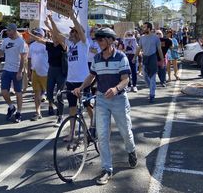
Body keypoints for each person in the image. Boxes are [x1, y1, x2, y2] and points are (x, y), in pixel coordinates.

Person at [73, 27, 137, 185]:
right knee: (102, 136)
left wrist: (116, 89)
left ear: (110, 40)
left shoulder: (121, 57)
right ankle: (107, 169)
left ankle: (131, 150)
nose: (98, 42)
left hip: (119, 99)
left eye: (101, 39)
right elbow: (92, 76)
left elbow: (125, 79)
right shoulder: (96, 58)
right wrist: (81, 88)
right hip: (101, 99)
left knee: (125, 132)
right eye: (97, 40)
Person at [48, 14, 89, 127]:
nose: (71, 33)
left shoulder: (84, 43)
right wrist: (51, 20)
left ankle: (92, 126)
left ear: (79, 34)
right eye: (71, 32)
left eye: (73, 32)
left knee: (87, 106)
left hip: (83, 81)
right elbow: (56, 34)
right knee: (72, 108)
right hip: (71, 81)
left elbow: (80, 31)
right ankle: (72, 133)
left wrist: (73, 16)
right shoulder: (69, 44)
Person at [0, 23, 28, 123]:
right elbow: (1, 54)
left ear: (14, 31)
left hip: (16, 70)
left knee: (18, 93)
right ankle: (11, 106)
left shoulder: (21, 42)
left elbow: (23, 58)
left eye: (9, 30)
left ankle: (19, 112)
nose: (7, 32)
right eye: (7, 31)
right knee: (4, 92)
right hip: (7, 69)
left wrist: (20, 71)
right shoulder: (5, 41)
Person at [136, 22, 164, 103]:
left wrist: (162, 60)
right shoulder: (142, 38)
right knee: (145, 77)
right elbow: (139, 48)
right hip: (145, 59)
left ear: (149, 28)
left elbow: (159, 50)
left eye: (144, 27)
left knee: (152, 78)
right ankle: (152, 88)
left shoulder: (156, 38)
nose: (143, 29)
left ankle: (152, 94)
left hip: (153, 59)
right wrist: (135, 57)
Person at [27, 28, 49, 121]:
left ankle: (51, 106)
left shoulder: (47, 44)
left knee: (50, 94)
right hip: (35, 71)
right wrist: (29, 70)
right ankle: (38, 112)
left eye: (37, 34)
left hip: (46, 72)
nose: (35, 36)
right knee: (36, 92)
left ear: (42, 35)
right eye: (34, 34)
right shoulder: (32, 45)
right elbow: (29, 58)